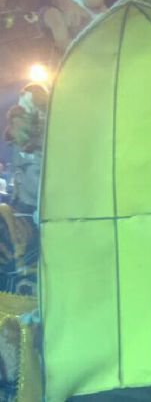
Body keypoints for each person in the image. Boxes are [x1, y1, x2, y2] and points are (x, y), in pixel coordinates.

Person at [0, 84, 47, 402]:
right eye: (36, 169)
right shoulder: (4, 221)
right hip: (10, 346)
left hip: (52, 345)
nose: (45, 179)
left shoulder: (65, 223)